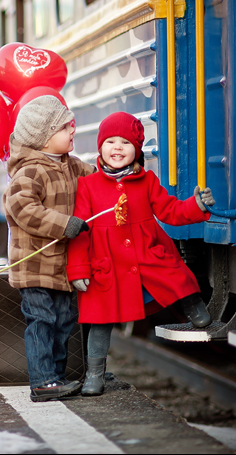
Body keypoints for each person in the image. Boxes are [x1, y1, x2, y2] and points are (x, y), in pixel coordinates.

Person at [66, 111, 215, 396]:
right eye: (110, 141)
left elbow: (170, 211)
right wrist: (78, 269)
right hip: (105, 261)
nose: (117, 147)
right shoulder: (87, 185)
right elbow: (81, 230)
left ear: (137, 149)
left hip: (144, 250)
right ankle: (94, 375)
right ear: (100, 148)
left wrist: (196, 206)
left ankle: (193, 306)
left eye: (125, 142)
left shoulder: (146, 181)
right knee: (99, 318)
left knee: (173, 273)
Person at [3, 95, 96, 402]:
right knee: (42, 321)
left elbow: (97, 179)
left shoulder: (72, 166)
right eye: (65, 127)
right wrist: (64, 224)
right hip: (34, 266)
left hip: (61, 266)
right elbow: (23, 209)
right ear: (43, 139)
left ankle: (57, 376)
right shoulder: (29, 172)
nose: (73, 129)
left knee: (64, 322)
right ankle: (43, 381)